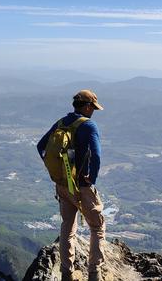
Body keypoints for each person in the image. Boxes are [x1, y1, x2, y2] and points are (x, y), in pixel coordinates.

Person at [37, 89, 105, 281]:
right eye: (93, 107)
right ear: (87, 106)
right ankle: (95, 274)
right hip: (82, 186)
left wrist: (56, 172)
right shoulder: (89, 126)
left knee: (68, 227)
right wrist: (91, 180)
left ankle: (66, 274)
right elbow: (97, 156)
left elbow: (41, 147)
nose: (93, 111)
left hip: (62, 185)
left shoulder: (61, 123)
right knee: (97, 227)